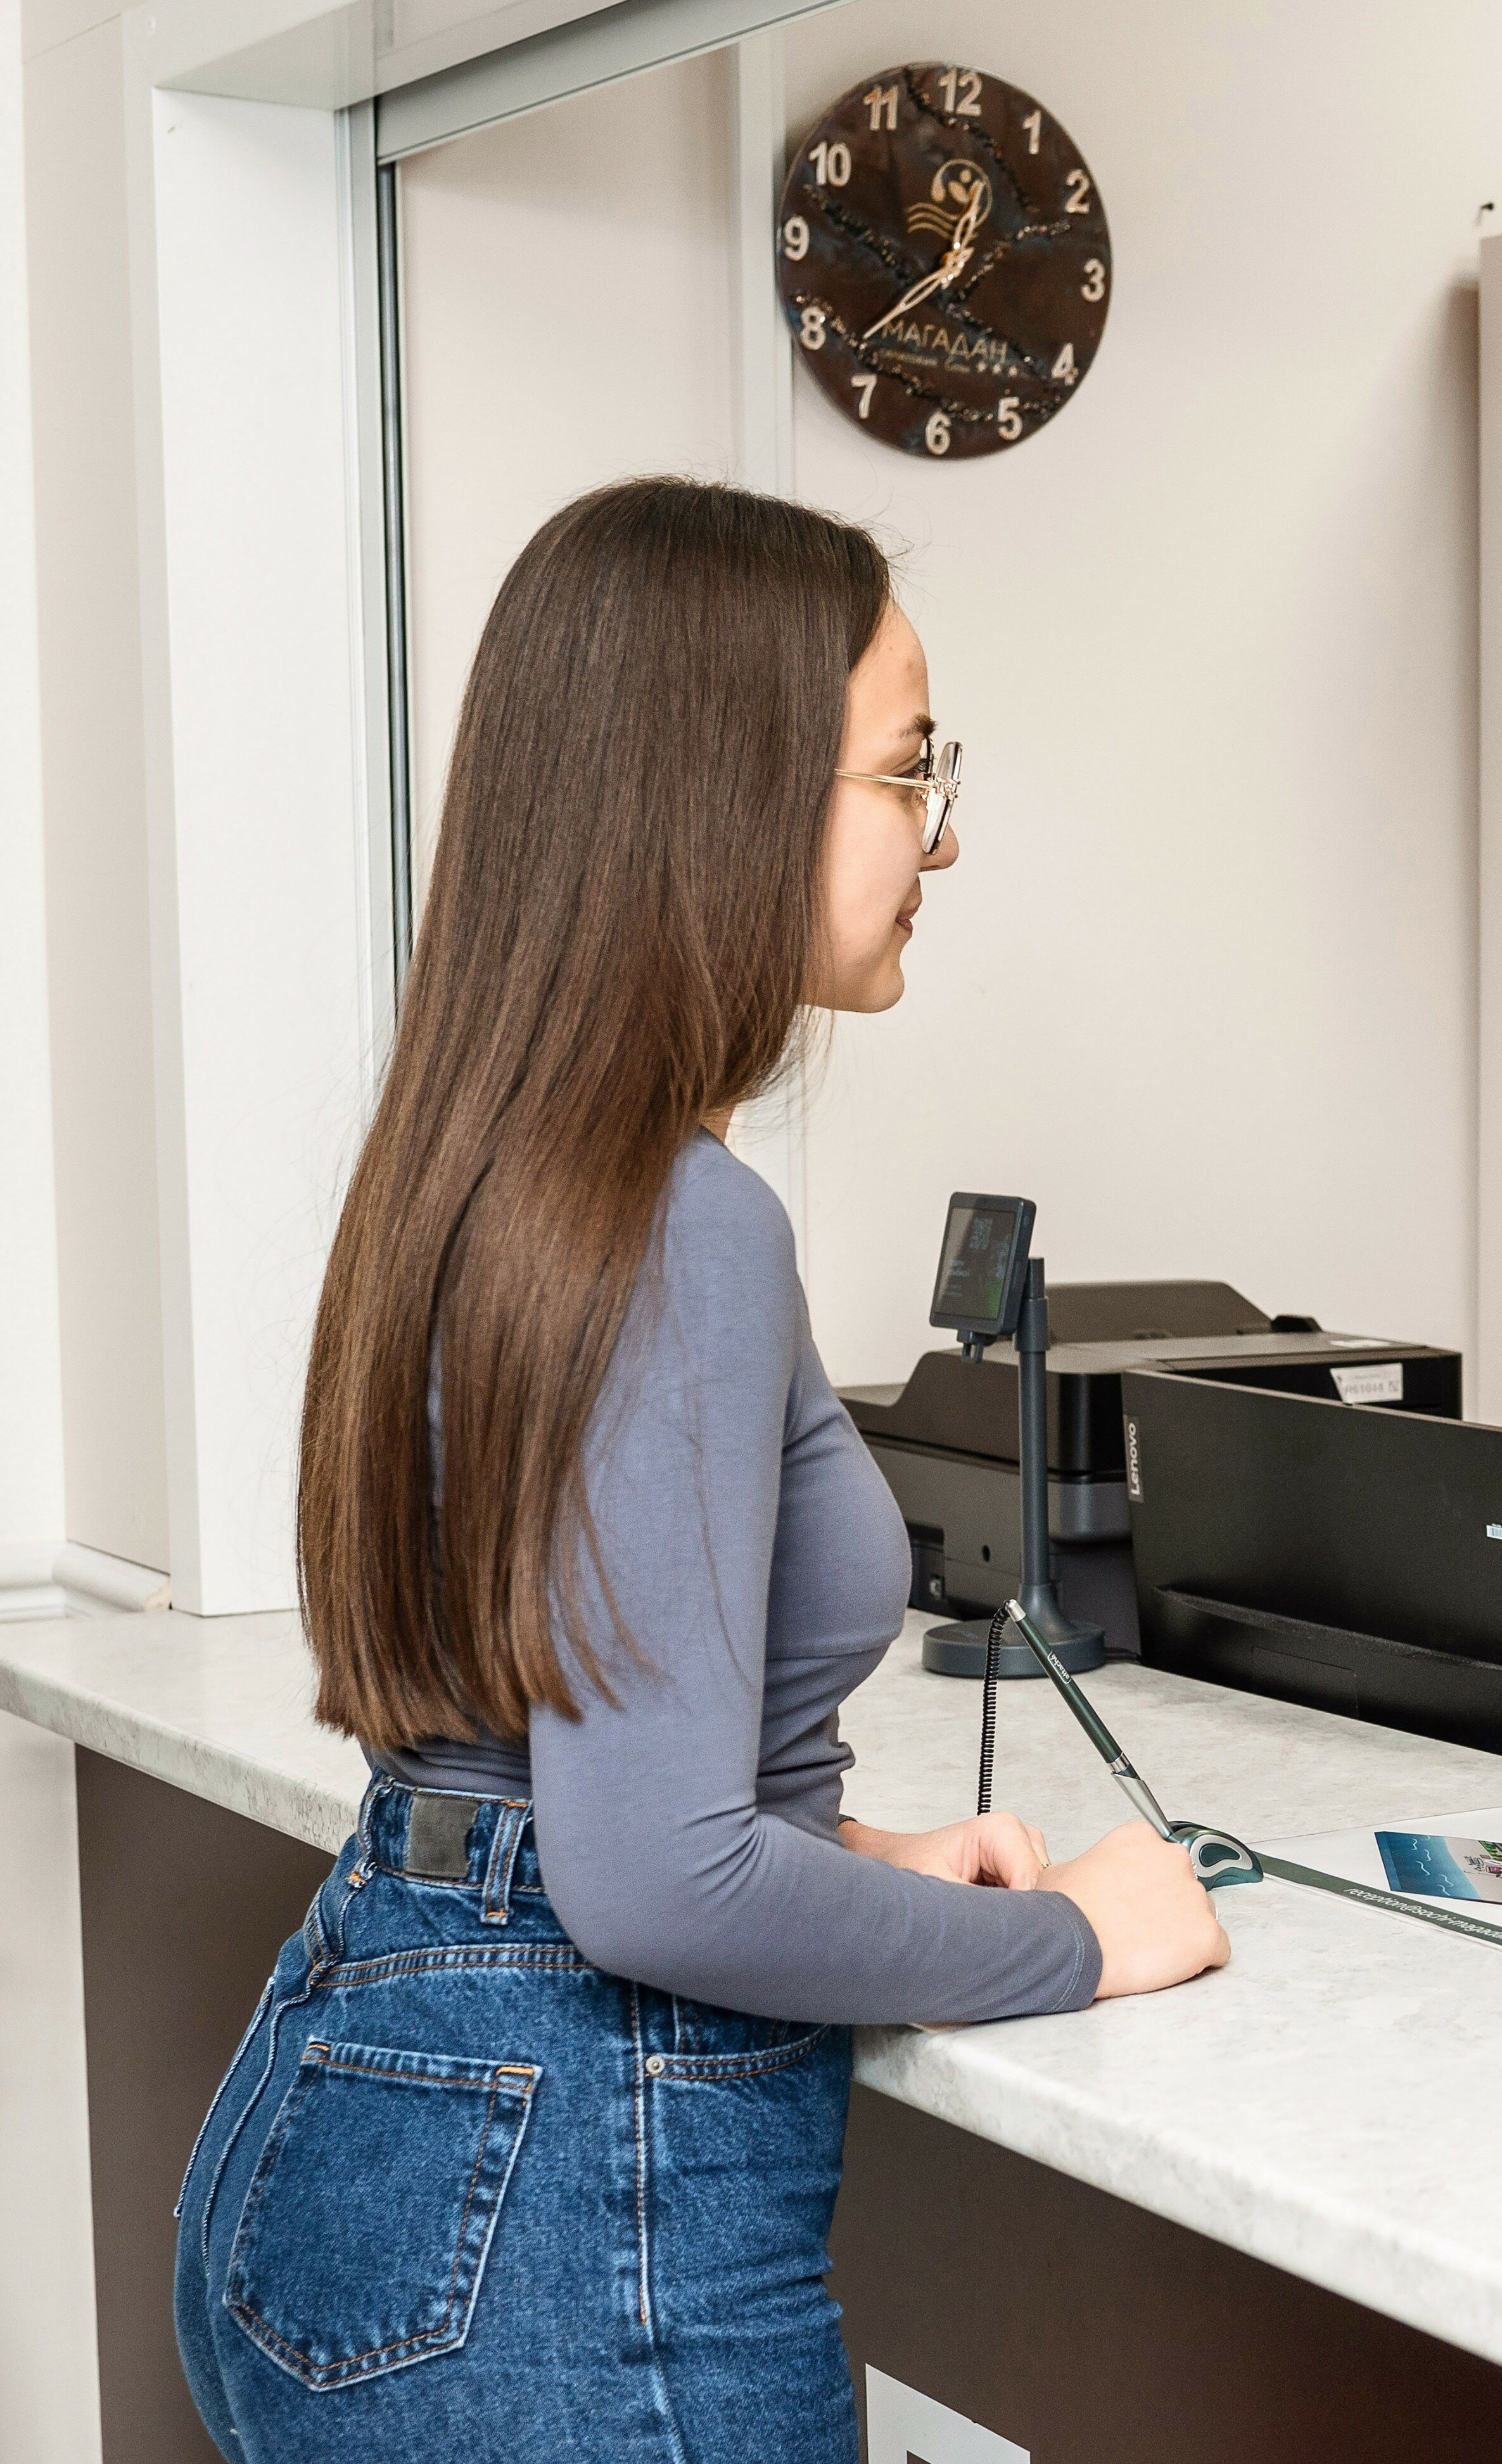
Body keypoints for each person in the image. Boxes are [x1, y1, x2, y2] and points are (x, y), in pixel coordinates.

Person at [172, 478, 1228, 2464]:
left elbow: (547, 1757)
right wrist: (1079, 1937)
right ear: (731, 798)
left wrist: (854, 1856)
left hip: (346, 2110)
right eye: (908, 771)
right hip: (556, 2228)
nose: (940, 833)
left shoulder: (484, 1165)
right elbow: (651, 1876)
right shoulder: (684, 1222)